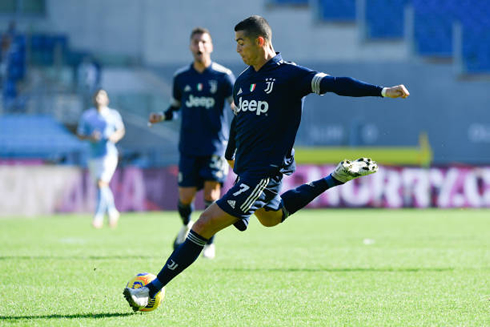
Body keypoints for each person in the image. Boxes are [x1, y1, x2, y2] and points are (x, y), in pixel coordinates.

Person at [124, 15, 409, 310]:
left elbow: (337, 83)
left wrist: (382, 91)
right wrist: (230, 154)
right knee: (271, 218)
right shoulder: (243, 80)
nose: (237, 49)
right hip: (246, 171)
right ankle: (334, 178)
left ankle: (152, 287)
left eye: (241, 42)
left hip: (265, 172)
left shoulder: (291, 76)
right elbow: (238, 120)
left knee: (203, 225)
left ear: (260, 41)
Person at [148, 27, 235, 259]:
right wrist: (162, 116)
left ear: (211, 46)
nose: (200, 46)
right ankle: (187, 224)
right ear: (190, 46)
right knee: (185, 197)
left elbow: (234, 105)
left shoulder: (223, 76)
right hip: (188, 147)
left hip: (216, 146)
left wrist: (243, 113)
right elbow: (175, 109)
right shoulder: (181, 78)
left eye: (204, 42)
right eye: (196, 42)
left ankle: (209, 242)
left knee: (212, 195)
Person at [77, 89, 125, 228]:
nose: (99, 99)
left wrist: (115, 136)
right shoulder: (87, 116)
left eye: (101, 97)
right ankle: (112, 211)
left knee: (102, 183)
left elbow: (121, 130)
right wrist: (90, 137)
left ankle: (97, 217)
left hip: (109, 154)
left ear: (107, 100)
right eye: (97, 97)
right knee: (101, 185)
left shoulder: (113, 114)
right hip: (93, 155)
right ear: (93, 99)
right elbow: (80, 134)